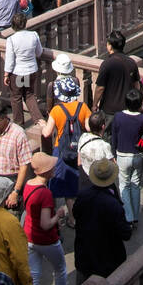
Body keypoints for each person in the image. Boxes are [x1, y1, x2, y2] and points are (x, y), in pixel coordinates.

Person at [39, 61, 90, 224]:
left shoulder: (56, 110)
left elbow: (47, 133)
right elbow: (89, 128)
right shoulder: (83, 107)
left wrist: (42, 124)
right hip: (80, 151)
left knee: (65, 186)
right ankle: (79, 215)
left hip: (61, 150)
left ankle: (71, 219)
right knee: (78, 184)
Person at [22, 154, 71, 285]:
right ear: (45, 171)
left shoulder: (28, 184)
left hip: (29, 237)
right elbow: (45, 224)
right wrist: (58, 215)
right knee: (60, 269)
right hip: (47, 239)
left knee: (33, 276)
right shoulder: (45, 194)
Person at [73, 157, 131, 285]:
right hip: (108, 260)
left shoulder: (83, 195)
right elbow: (126, 233)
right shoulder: (113, 204)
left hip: (84, 254)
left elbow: (75, 213)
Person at [111, 87, 143, 229]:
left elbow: (114, 136)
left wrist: (113, 154)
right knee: (135, 184)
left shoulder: (118, 116)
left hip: (122, 155)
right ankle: (136, 216)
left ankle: (129, 216)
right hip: (137, 155)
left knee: (124, 185)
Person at [0, 100, 32, 207]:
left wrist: (16, 192)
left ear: (5, 118)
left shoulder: (18, 134)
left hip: (12, 180)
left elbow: (24, 165)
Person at [3, 14, 44, 127]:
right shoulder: (33, 35)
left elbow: (10, 60)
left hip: (18, 72)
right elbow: (39, 52)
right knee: (29, 95)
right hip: (30, 70)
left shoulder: (11, 39)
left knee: (16, 97)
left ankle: (19, 123)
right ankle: (39, 119)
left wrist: (6, 74)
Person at [94, 29, 141, 123]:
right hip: (127, 110)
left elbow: (100, 88)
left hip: (109, 111)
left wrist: (94, 105)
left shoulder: (107, 64)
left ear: (110, 46)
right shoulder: (132, 63)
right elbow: (137, 86)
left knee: (108, 137)